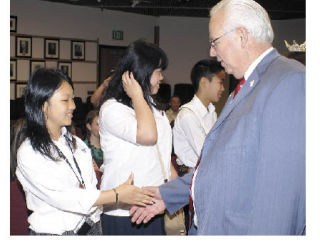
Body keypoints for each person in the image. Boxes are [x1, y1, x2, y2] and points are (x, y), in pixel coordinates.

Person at [130, 0, 305, 235]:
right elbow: (223, 166)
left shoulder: (287, 82)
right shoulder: (249, 86)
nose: (212, 51)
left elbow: (279, 196)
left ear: (242, 36)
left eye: (215, 42)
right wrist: (168, 194)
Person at [15, 68, 154, 235]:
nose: (73, 105)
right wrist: (117, 195)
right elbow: (66, 198)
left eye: (73, 99)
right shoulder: (30, 152)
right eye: (65, 100)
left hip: (93, 228)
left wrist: (118, 193)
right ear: (43, 105)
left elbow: (88, 190)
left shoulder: (76, 143)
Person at [99, 39, 177, 235]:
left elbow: (162, 154)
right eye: (158, 71)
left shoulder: (151, 105)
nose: (162, 77)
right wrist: (136, 95)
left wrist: (174, 192)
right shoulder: (113, 109)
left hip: (153, 205)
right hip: (124, 212)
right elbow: (148, 136)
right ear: (142, 73)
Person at [173, 59, 225, 171]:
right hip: (190, 175)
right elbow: (206, 154)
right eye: (220, 83)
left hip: (206, 172)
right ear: (204, 82)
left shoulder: (211, 112)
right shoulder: (188, 115)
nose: (223, 88)